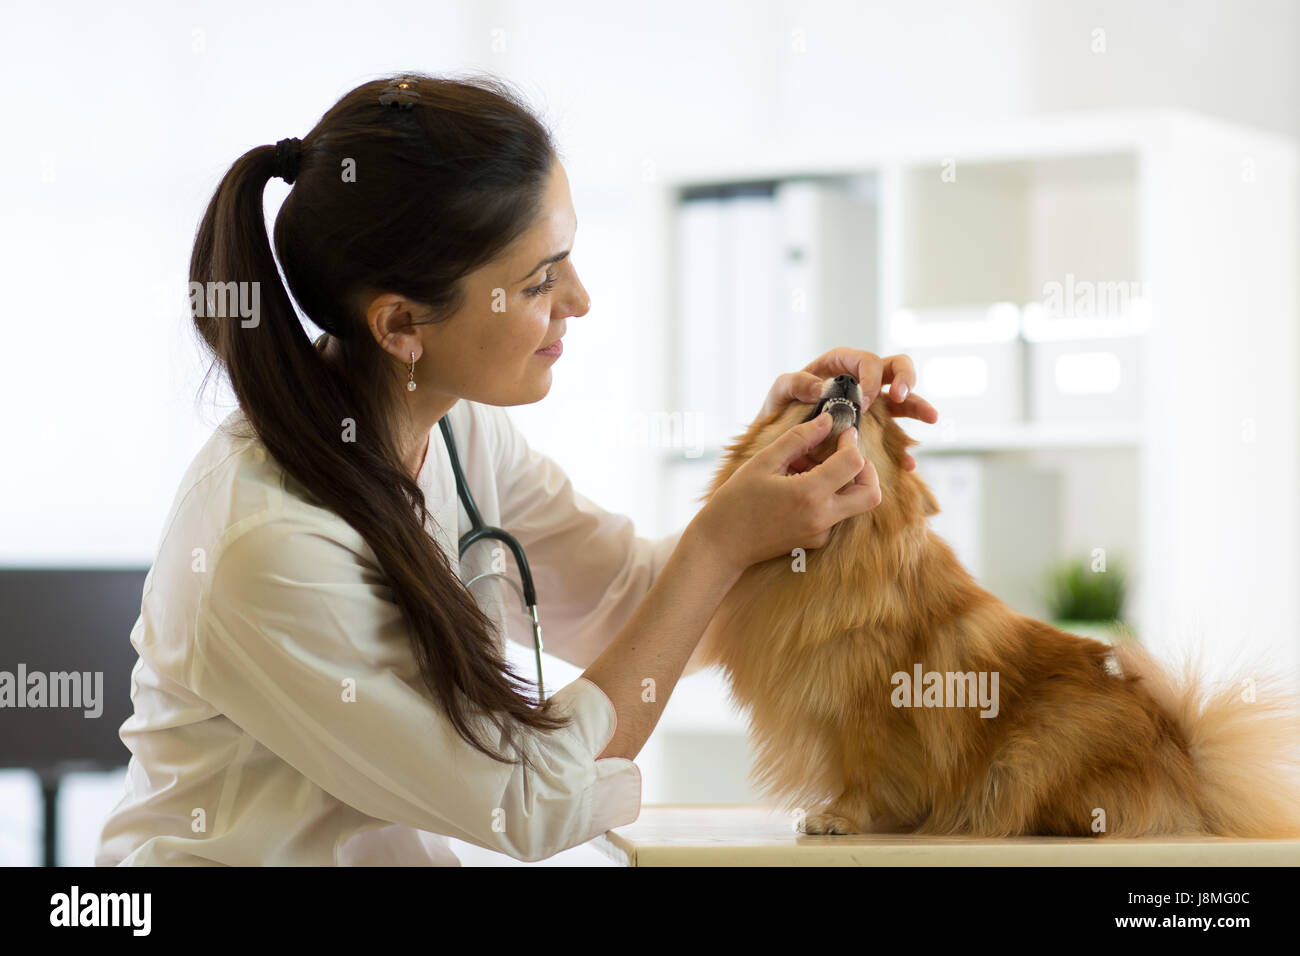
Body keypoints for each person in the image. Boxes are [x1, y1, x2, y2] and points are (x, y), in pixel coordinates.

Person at [94, 72, 937, 866]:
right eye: (539, 280)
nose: (579, 299)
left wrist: (787, 451)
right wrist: (722, 542)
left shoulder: (456, 431)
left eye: (566, 257)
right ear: (400, 326)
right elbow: (525, 801)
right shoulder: (263, 542)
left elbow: (635, 606)